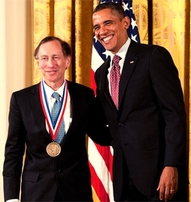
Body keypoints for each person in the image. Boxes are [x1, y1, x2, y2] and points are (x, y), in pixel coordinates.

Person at [92, 2, 188, 201]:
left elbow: (174, 115)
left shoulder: (152, 56)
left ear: (125, 22)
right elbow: (112, 127)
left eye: (108, 23)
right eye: (97, 27)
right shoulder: (102, 74)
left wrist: (171, 165)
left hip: (158, 176)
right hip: (123, 179)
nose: (102, 31)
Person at [2, 36, 111, 201]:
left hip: (76, 191)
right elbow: (13, 151)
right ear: (38, 63)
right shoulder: (21, 100)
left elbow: (102, 135)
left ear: (67, 61)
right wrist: (11, 197)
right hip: (36, 192)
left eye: (56, 57)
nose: (50, 64)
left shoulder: (84, 96)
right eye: (44, 58)